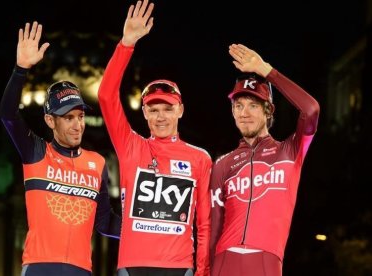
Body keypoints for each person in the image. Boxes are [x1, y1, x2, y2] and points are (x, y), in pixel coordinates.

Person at [97, 0, 212, 275]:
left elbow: (204, 223)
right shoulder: (130, 146)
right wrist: (126, 44)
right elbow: (105, 96)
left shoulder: (200, 158)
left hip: (179, 267)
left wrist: (204, 270)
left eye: (168, 109)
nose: (161, 117)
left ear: (180, 110)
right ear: (145, 113)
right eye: (153, 109)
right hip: (132, 267)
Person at [0, 21, 120, 276]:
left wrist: (147, 227)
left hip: (81, 271)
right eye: (68, 118)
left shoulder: (97, 163)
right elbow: (8, 115)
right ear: (50, 120)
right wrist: (21, 69)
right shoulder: (36, 153)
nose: (77, 125)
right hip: (39, 268)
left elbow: (105, 222)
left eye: (80, 116)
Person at [209, 43, 320, 276]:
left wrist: (266, 70)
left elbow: (311, 110)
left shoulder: (290, 150)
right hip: (223, 260)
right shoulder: (222, 164)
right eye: (238, 105)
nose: (244, 113)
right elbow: (213, 226)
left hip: (266, 262)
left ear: (269, 110)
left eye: (253, 105)